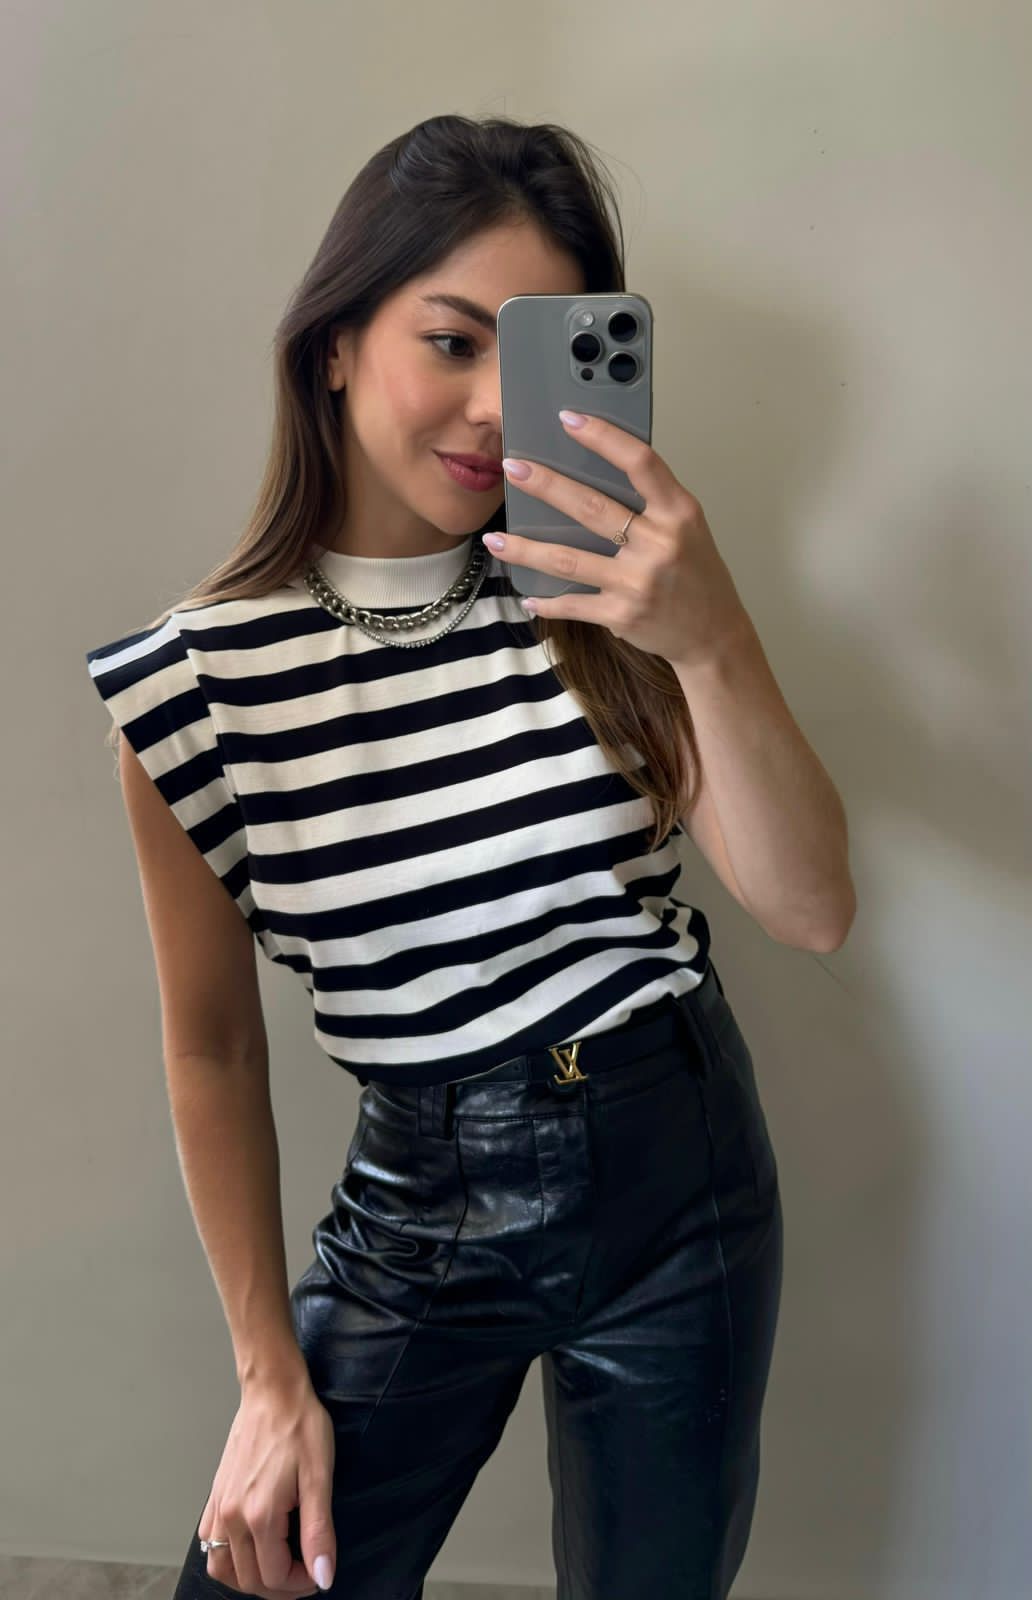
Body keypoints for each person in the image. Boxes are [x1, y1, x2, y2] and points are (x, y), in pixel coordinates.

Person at [84, 114, 854, 1600]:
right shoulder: (191, 687)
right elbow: (212, 1050)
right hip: (424, 1201)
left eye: (537, 355)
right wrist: (267, 1377)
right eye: (450, 341)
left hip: (678, 1162)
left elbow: (814, 909)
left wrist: (710, 637)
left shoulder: (613, 598)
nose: (498, 408)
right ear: (334, 344)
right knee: (258, 1576)